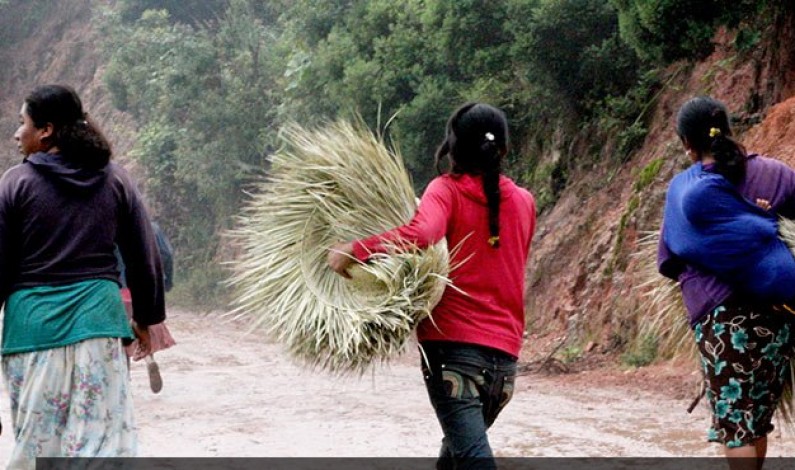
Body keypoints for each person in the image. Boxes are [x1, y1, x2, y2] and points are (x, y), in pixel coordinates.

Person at [328, 102, 536, 469]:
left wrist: (356, 250)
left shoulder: (446, 190)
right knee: (456, 456)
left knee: (470, 458)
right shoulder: (525, 202)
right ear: (502, 149)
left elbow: (421, 234)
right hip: (504, 361)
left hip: (453, 353)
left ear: (453, 146)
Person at [2, 84, 165, 466]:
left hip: (32, 329)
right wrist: (146, 318)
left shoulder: (15, 183)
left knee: (38, 446)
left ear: (46, 130)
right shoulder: (116, 179)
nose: (16, 134)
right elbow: (144, 255)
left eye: (22, 123)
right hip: (99, 325)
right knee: (102, 444)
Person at [658, 96, 795, 469]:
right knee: (757, 418)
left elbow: (669, 260)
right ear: (729, 130)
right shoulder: (776, 173)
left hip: (722, 322)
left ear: (687, 143)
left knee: (737, 426)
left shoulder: (683, 190)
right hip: (777, 315)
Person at [117, 221, 176, 394]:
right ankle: (149, 360)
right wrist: (167, 280)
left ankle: (125, 381)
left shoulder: (111, 226)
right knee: (142, 327)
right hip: (145, 287)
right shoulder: (152, 227)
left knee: (120, 334)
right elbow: (167, 254)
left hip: (118, 289)